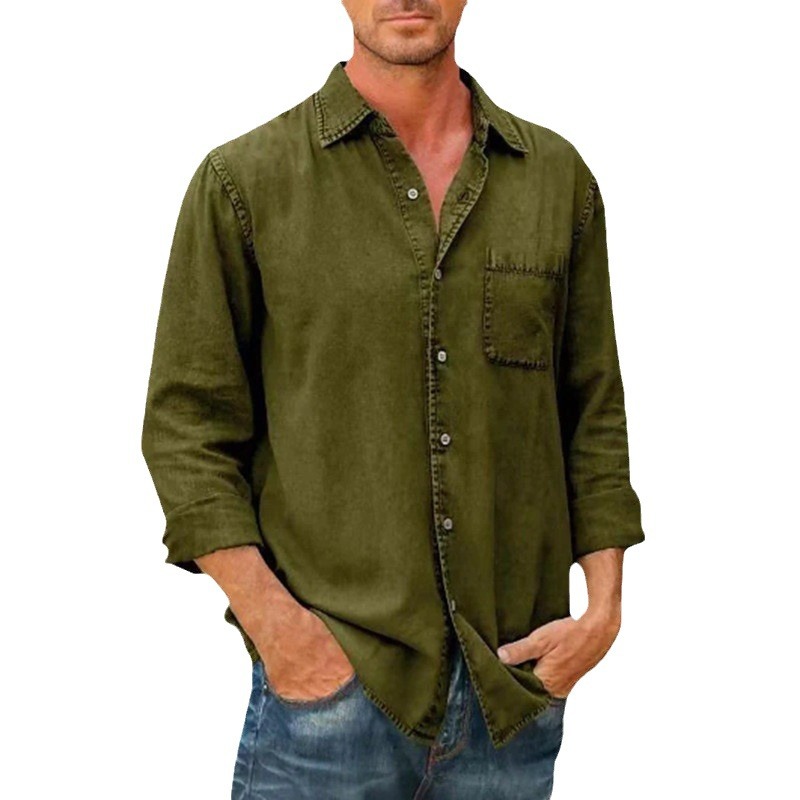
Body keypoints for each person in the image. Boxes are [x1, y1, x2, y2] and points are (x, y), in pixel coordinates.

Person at [141, 1, 645, 797]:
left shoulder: (556, 180)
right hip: (328, 707)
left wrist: (603, 614)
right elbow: (185, 428)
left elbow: (592, 407)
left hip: (510, 699)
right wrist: (281, 632)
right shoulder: (246, 182)